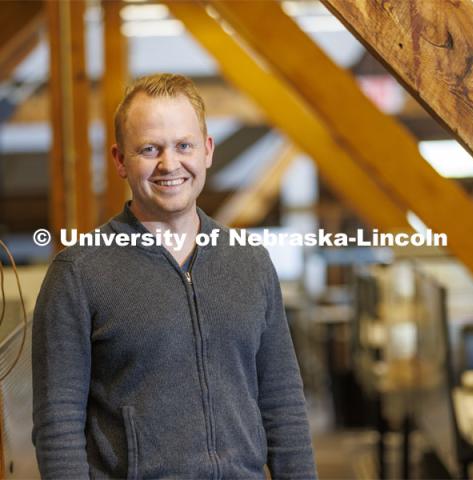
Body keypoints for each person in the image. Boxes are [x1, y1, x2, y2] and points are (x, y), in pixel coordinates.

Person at [32, 73, 318, 479]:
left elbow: (284, 405)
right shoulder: (79, 274)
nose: (170, 164)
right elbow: (57, 425)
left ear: (207, 151)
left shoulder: (250, 263)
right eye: (150, 149)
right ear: (119, 160)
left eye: (184, 145)